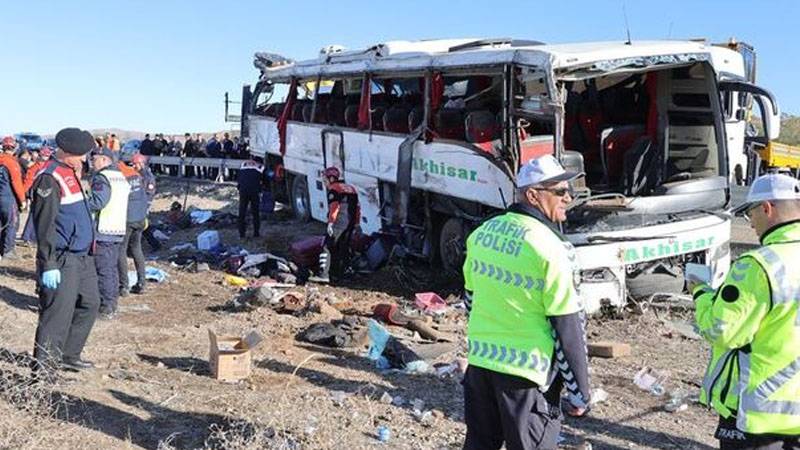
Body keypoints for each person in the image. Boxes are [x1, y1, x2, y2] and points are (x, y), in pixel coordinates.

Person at [461, 154, 591, 450]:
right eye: (559, 192)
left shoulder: (481, 234)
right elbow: (567, 325)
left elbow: (471, 301)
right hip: (527, 376)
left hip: (481, 368)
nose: (568, 198)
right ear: (533, 195)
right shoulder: (553, 247)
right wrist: (579, 391)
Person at [692, 172, 800, 450]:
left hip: (760, 418)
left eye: (750, 213)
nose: (750, 222)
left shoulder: (758, 265)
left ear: (767, 208)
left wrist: (701, 293)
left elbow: (722, 331)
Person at [31, 127, 100, 373]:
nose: (84, 158)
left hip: (83, 256)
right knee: (57, 316)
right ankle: (44, 373)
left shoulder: (70, 171)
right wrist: (48, 263)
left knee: (90, 303)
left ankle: (68, 355)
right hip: (62, 258)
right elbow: (45, 225)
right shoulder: (49, 177)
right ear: (65, 152)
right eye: (80, 154)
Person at [86, 147, 130, 319]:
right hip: (117, 228)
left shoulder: (102, 178)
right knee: (111, 269)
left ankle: (106, 307)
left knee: (103, 269)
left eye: (94, 159)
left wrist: (81, 202)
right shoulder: (120, 177)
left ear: (104, 160)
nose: (92, 162)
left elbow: (97, 202)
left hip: (103, 229)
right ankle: (111, 303)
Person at [117, 154, 156, 296]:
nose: (133, 166)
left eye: (135, 164)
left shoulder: (140, 176)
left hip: (131, 217)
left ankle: (124, 286)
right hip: (139, 217)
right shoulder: (137, 176)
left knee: (122, 250)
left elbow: (148, 195)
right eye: (132, 164)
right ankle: (141, 283)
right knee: (136, 249)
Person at [316, 166, 360, 283]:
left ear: (331, 178)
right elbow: (357, 208)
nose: (324, 182)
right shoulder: (351, 189)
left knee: (326, 246)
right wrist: (356, 224)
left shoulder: (334, 189)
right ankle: (342, 273)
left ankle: (323, 274)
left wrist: (331, 222)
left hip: (338, 222)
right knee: (343, 247)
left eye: (325, 179)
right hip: (349, 223)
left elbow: (334, 207)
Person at [0, 136, 25, 260]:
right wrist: (22, 200)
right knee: (11, 223)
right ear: (14, 148)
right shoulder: (11, 162)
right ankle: (8, 250)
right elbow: (16, 183)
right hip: (8, 197)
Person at [237, 155, 266, 239]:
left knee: (242, 213)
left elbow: (239, 178)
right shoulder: (260, 167)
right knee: (255, 213)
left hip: (243, 190)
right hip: (254, 191)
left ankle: (242, 234)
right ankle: (256, 233)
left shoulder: (243, 165)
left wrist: (239, 188)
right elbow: (265, 181)